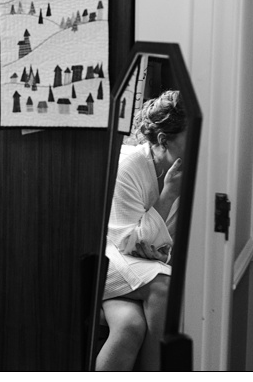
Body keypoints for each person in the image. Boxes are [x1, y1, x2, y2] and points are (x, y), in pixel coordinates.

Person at [97, 91, 186, 371]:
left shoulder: (191, 170)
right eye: (191, 138)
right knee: (165, 288)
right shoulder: (131, 168)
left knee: (129, 325)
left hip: (144, 268)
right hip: (111, 258)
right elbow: (128, 243)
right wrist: (168, 194)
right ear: (163, 140)